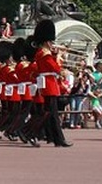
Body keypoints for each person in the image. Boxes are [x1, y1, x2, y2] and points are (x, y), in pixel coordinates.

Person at [31, 19, 72, 147]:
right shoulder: (45, 54)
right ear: (47, 41)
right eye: (51, 41)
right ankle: (29, 132)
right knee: (50, 114)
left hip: (48, 84)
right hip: (49, 85)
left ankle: (56, 138)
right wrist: (58, 57)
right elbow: (56, 68)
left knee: (50, 114)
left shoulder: (42, 53)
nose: (52, 44)